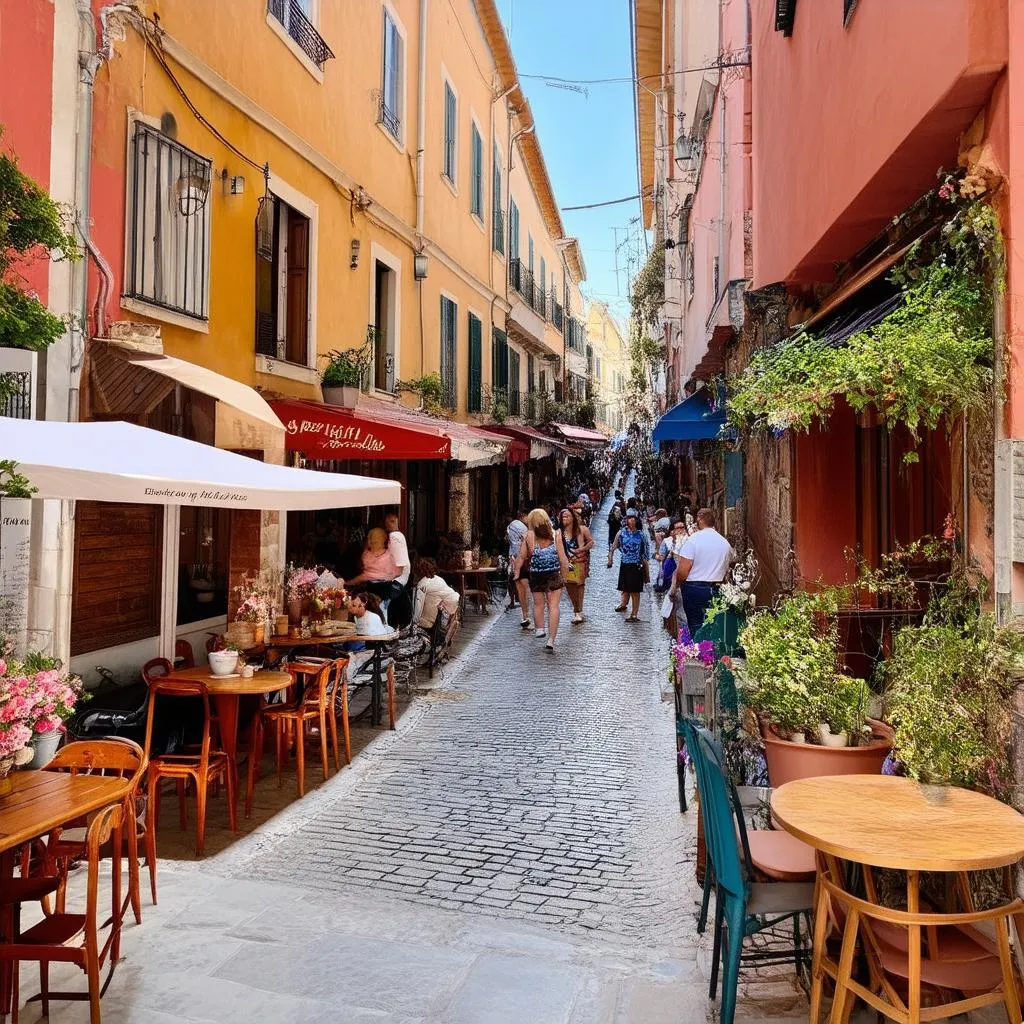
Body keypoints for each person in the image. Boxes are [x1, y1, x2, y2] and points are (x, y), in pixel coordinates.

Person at [671, 507, 735, 634]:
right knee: (714, 624)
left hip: (693, 589)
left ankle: (696, 650)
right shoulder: (725, 544)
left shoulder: (693, 540)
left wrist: (676, 585)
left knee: (696, 624)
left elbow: (683, 571)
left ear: (699, 520)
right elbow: (727, 568)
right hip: (717, 588)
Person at [514, 508, 569, 652]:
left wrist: (516, 572)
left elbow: (521, 557)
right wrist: (565, 576)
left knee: (538, 604)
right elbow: (563, 558)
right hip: (553, 574)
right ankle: (551, 639)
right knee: (554, 606)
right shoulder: (556, 534)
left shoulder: (528, 536)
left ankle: (540, 628)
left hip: (537, 575)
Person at [346, 528, 403, 612]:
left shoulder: (369, 555)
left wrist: (349, 583)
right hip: (377, 591)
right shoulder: (387, 555)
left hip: (378, 592)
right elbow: (398, 572)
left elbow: (365, 576)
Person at [607, 511, 650, 621]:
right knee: (624, 586)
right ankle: (623, 604)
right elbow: (614, 546)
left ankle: (634, 613)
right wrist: (610, 558)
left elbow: (646, 550)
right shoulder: (621, 533)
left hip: (636, 564)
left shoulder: (641, 535)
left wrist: (646, 563)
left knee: (635, 590)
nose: (631, 520)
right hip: (625, 563)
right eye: (629, 518)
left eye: (633, 518)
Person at [559, 507, 594, 623]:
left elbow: (591, 542)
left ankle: (578, 611)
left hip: (578, 561)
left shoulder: (582, 529)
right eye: (563, 516)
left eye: (567, 516)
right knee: (569, 585)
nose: (565, 518)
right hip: (566, 562)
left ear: (573, 518)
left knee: (578, 584)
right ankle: (577, 608)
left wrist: (581, 549)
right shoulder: (559, 532)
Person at [412, 558, 460, 629]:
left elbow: (418, 606)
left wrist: (414, 622)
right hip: (454, 606)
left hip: (444, 614)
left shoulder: (422, 585)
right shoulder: (438, 579)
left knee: (421, 615)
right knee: (431, 598)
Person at [506, 509, 530, 626]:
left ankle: (525, 615)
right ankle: (526, 614)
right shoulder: (520, 527)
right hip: (522, 560)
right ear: (523, 516)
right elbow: (516, 546)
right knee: (524, 587)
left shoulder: (514, 526)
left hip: (518, 560)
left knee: (521, 586)